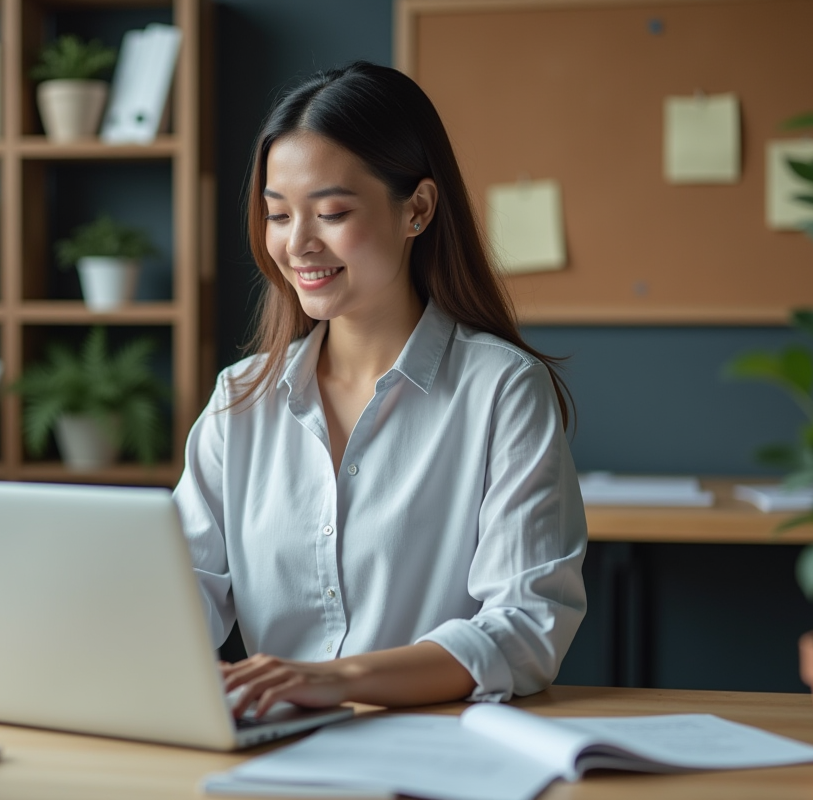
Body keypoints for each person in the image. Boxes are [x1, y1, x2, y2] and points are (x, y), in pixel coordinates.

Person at [173, 61, 586, 718]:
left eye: (332, 212)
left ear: (416, 209)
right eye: (278, 215)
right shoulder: (240, 399)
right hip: (277, 751)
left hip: (439, 749)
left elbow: (525, 629)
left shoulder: (502, 390)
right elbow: (177, 594)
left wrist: (340, 678)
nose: (298, 244)